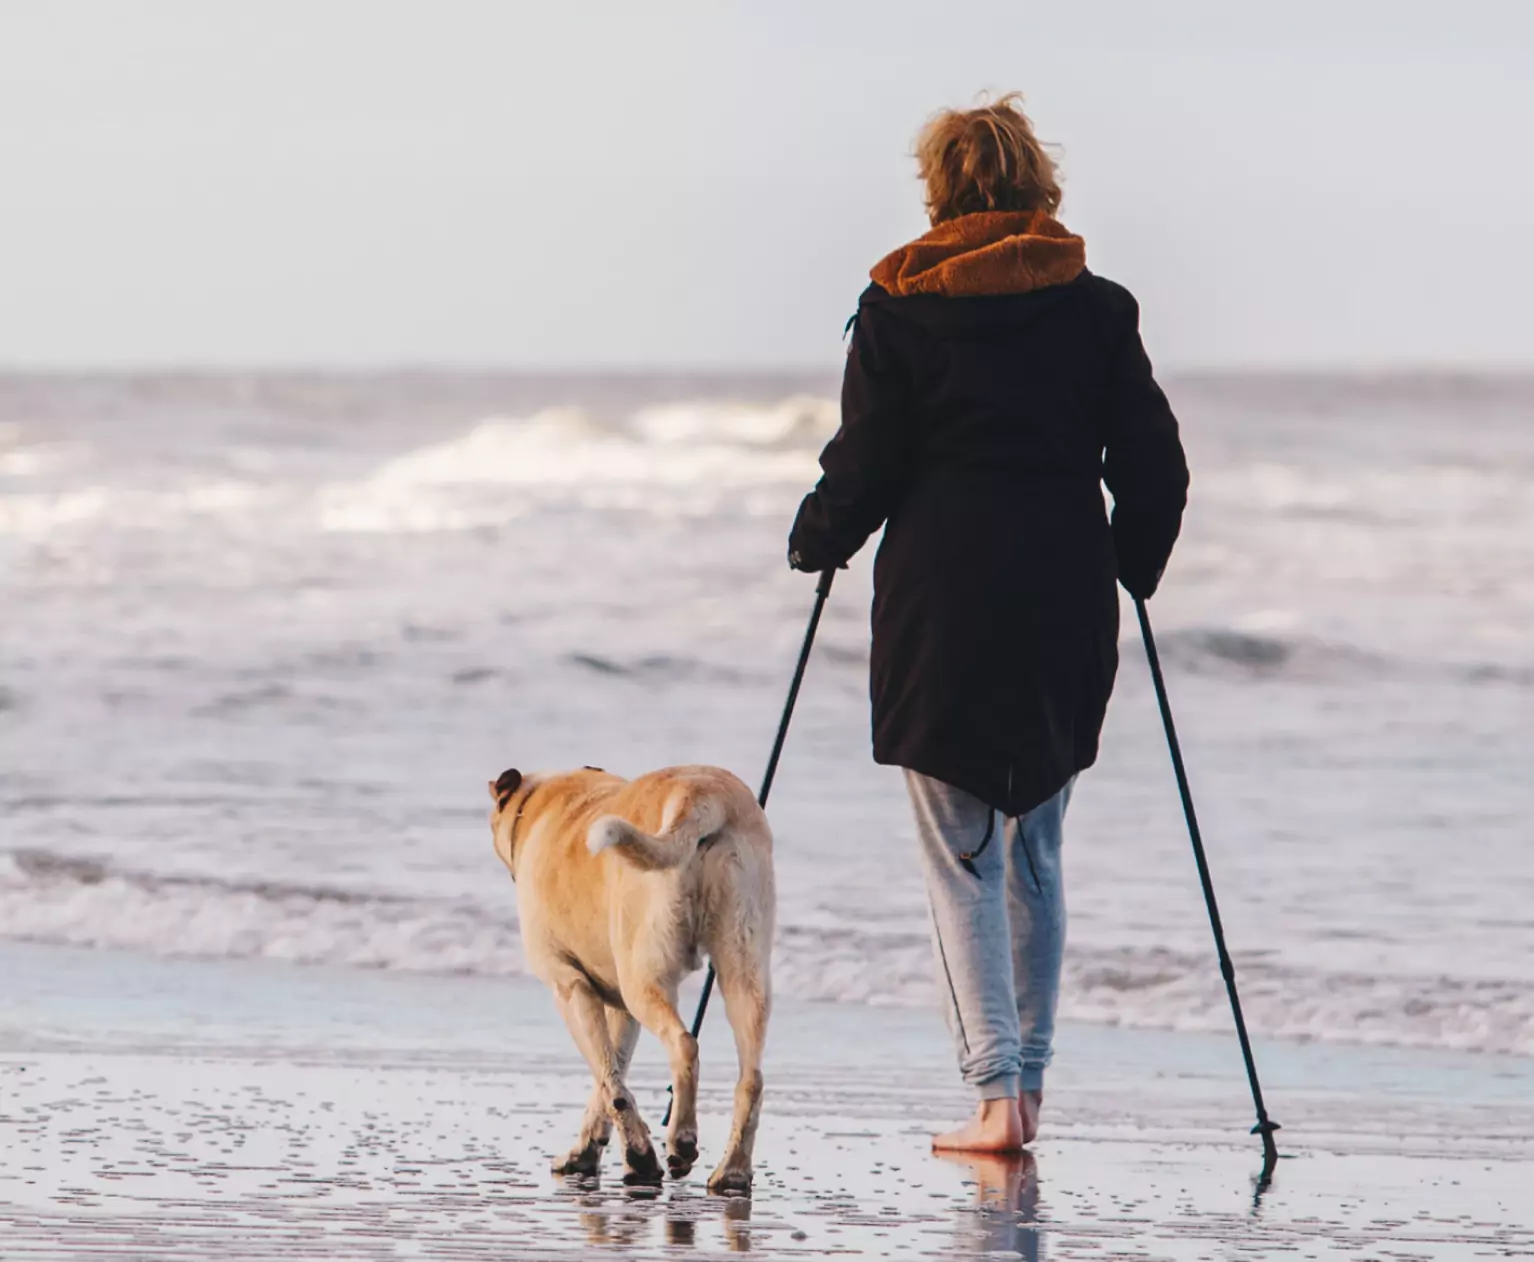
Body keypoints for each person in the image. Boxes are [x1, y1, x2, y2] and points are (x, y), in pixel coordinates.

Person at [788, 94, 1189, 1152]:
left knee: (960, 852)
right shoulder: (1095, 307)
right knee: (1038, 850)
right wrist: (1135, 561)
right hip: (1063, 590)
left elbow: (864, 462)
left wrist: (818, 535)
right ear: (1036, 184)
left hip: (942, 598)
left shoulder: (897, 304)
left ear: (940, 188)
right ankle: (1030, 1093)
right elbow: (1154, 462)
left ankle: (993, 1098)